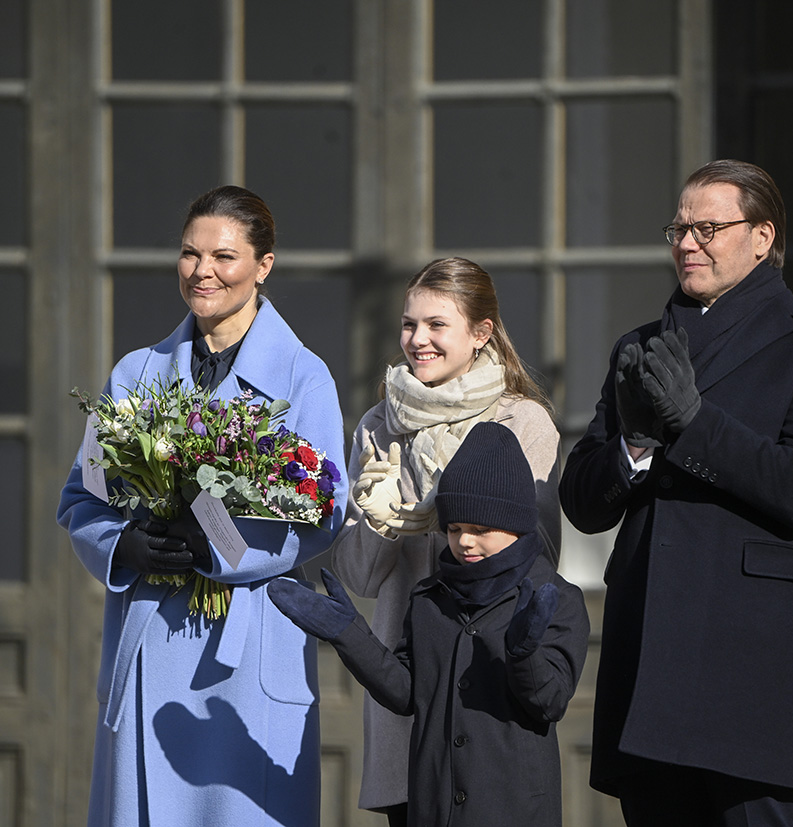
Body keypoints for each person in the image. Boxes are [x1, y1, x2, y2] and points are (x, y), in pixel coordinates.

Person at [559, 160, 793, 826]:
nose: (687, 242)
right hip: (649, 667)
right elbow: (583, 504)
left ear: (762, 238)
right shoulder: (639, 347)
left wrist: (693, 423)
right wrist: (635, 444)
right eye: (678, 227)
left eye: (708, 227)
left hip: (749, 671)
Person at [57, 185, 348, 826]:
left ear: (263, 265)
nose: (203, 271)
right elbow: (84, 497)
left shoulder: (304, 376)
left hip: (249, 650)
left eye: (224, 256)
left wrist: (217, 544)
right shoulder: (136, 374)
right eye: (190, 254)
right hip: (149, 633)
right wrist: (120, 544)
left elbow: (323, 512)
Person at [329, 256, 561, 824]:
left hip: (487, 681)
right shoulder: (378, 425)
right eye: (410, 324)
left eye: (437, 325)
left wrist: (431, 508)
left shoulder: (521, 422)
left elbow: (534, 558)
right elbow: (359, 576)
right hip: (404, 679)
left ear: (481, 333)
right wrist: (378, 515)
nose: (418, 339)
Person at [269, 421, 589, 826]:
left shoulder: (555, 598)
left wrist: (522, 654)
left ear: (516, 524)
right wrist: (348, 634)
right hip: (432, 809)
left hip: (513, 810)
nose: (464, 542)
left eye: (480, 529)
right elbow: (407, 694)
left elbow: (549, 702)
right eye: (454, 529)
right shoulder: (429, 597)